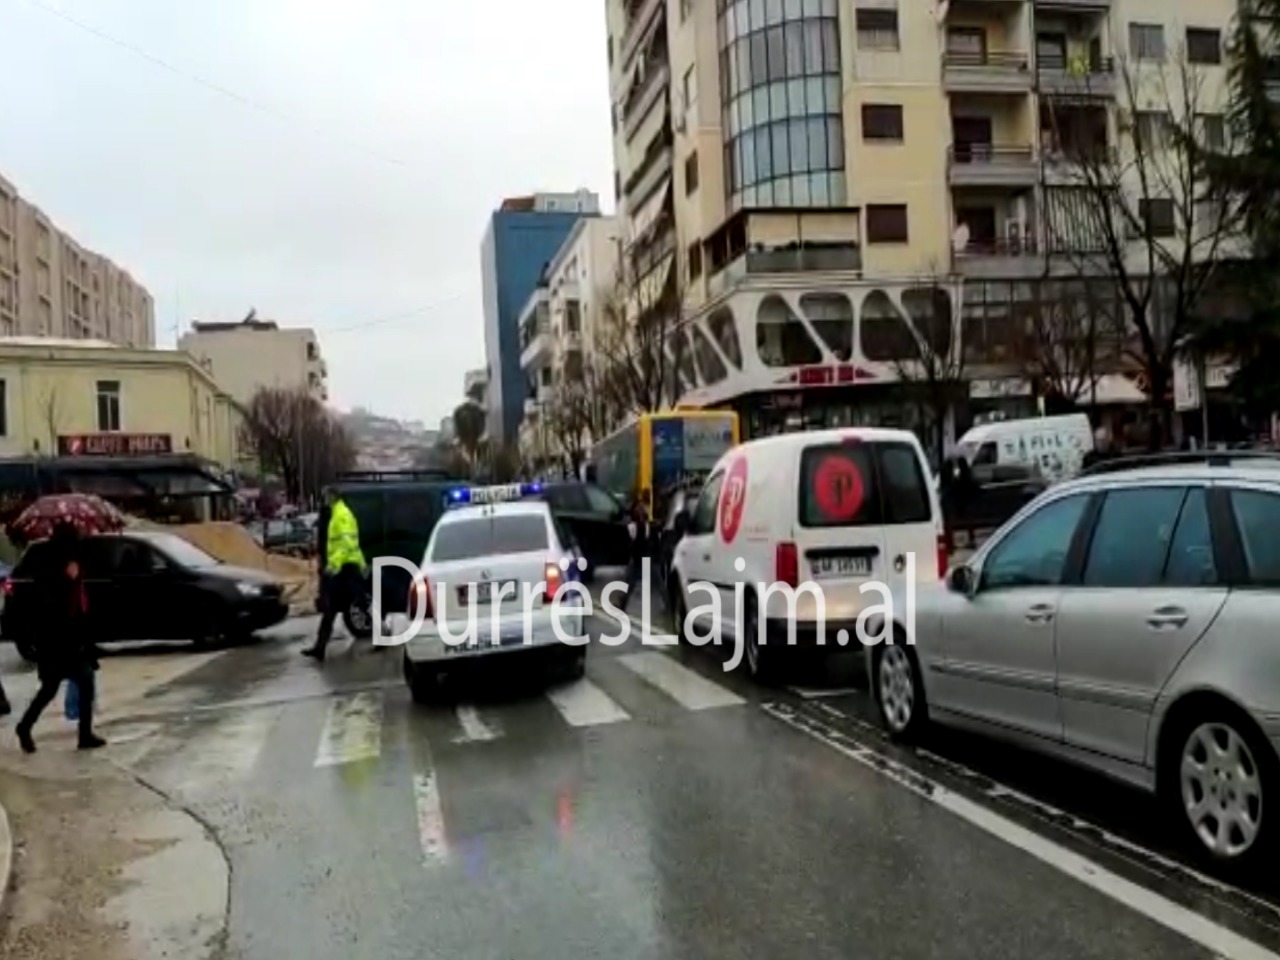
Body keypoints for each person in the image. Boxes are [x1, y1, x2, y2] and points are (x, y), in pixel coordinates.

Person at [15, 522, 105, 753]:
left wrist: (74, 576)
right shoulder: (47, 560)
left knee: (78, 681)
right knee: (53, 687)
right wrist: (67, 578)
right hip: (55, 639)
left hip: (71, 637)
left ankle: (82, 733)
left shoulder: (71, 558)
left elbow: (78, 598)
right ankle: (26, 727)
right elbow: (49, 600)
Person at [302, 489, 367, 662]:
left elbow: (347, 544)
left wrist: (334, 565)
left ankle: (383, 635)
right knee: (334, 609)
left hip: (346, 570)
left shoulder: (341, 516)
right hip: (348, 568)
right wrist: (362, 563)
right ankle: (319, 648)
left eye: (326, 497)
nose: (324, 501)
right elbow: (353, 544)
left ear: (333, 498)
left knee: (358, 605)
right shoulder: (339, 514)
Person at [619, 492, 657, 615]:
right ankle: (621, 604)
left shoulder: (639, 525)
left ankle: (621, 605)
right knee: (630, 582)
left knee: (630, 582)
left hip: (640, 557)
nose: (642, 510)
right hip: (641, 557)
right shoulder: (638, 525)